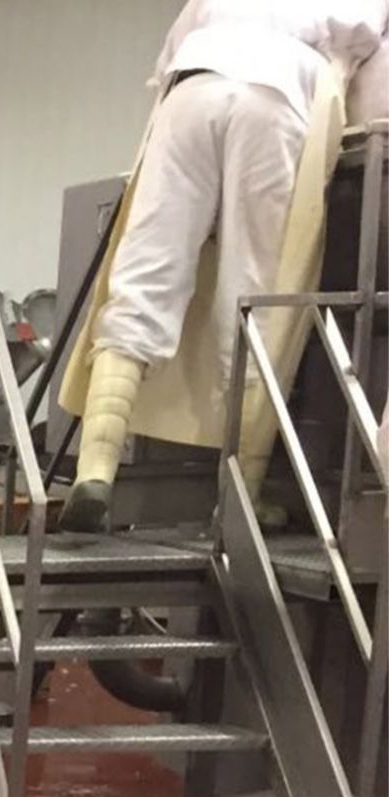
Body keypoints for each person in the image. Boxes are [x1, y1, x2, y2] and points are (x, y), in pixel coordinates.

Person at [65, 0, 385, 531]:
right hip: (279, 92)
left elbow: (169, 55)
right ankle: (239, 496)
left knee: (144, 273)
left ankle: (95, 468)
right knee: (254, 298)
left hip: (191, 86)